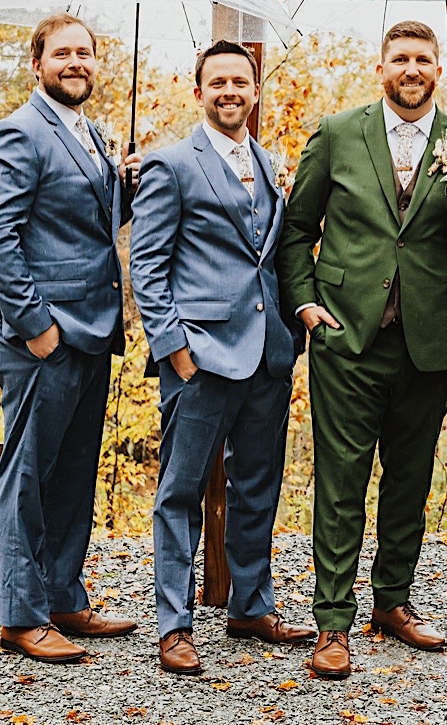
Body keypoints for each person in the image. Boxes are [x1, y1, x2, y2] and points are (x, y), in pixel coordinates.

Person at [278, 20, 447, 679]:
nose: (411, 68)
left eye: (423, 59)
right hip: (347, 336)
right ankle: (333, 621)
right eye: (400, 58)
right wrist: (307, 304)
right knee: (341, 482)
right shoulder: (338, 133)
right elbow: (296, 227)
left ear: (437, 70)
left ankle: (393, 603)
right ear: (381, 68)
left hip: (428, 341)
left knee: (410, 479)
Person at [128, 40, 312, 676]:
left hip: (267, 356)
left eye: (242, 81)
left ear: (254, 91)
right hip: (200, 357)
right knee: (179, 492)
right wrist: (174, 350)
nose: (231, 91)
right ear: (198, 91)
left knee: (256, 485)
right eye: (219, 82)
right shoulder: (171, 163)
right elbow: (147, 265)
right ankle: (174, 626)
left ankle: (250, 605)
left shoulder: (268, 163)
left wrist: (292, 334)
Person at [0, 12, 141, 663]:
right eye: (63, 53)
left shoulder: (94, 135)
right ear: (37, 63)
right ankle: (22, 615)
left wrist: (120, 187)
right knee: (29, 477)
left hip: (94, 332)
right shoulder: (16, 134)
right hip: (43, 338)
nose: (77, 62)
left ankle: (65, 598)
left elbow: (85, 224)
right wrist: (36, 326)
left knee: (72, 475)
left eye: (87, 53)